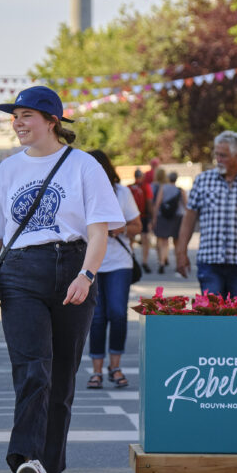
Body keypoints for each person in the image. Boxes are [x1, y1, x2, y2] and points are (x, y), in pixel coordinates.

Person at [0, 85, 123, 473]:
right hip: (20, 272)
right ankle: (27, 460)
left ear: (52, 122)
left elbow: (99, 231)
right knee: (33, 368)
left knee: (61, 380)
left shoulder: (83, 166)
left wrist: (87, 275)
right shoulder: (7, 170)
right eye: (14, 117)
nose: (17, 123)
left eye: (25, 116)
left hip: (72, 267)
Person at [176, 130, 237, 298]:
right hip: (210, 261)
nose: (218, 160)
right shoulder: (203, 180)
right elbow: (189, 218)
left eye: (223, 156)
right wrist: (181, 251)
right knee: (212, 315)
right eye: (217, 155)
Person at [86, 149, 142, 390]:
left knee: (118, 313)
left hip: (119, 262)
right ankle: (97, 370)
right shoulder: (79, 192)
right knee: (97, 317)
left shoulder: (121, 192)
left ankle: (115, 366)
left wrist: (120, 229)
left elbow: (138, 225)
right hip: (90, 262)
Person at [152, 170, 186, 274]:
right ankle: (177, 264)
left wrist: (154, 218)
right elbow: (186, 205)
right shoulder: (180, 190)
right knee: (177, 242)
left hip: (163, 217)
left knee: (163, 242)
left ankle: (162, 262)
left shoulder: (163, 188)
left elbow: (157, 203)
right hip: (177, 217)